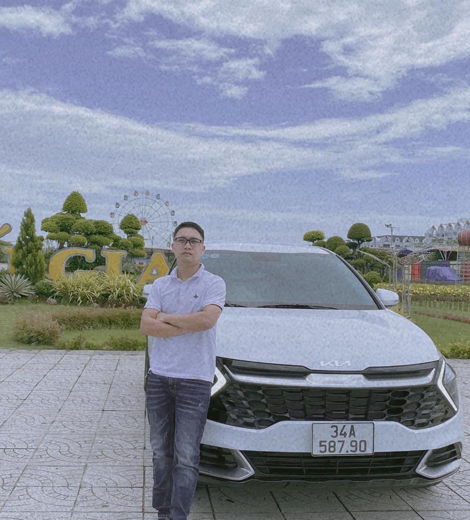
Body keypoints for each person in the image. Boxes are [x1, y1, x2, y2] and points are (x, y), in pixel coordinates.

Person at [140, 221, 226, 520]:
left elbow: (207, 321)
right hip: (159, 378)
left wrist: (165, 318)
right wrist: (187, 322)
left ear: (203, 248)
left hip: (195, 379)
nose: (187, 245)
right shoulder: (160, 285)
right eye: (182, 239)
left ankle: (179, 515)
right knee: (161, 451)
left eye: (194, 240)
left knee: (186, 455)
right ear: (173, 246)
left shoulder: (214, 283)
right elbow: (146, 325)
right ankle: (163, 513)